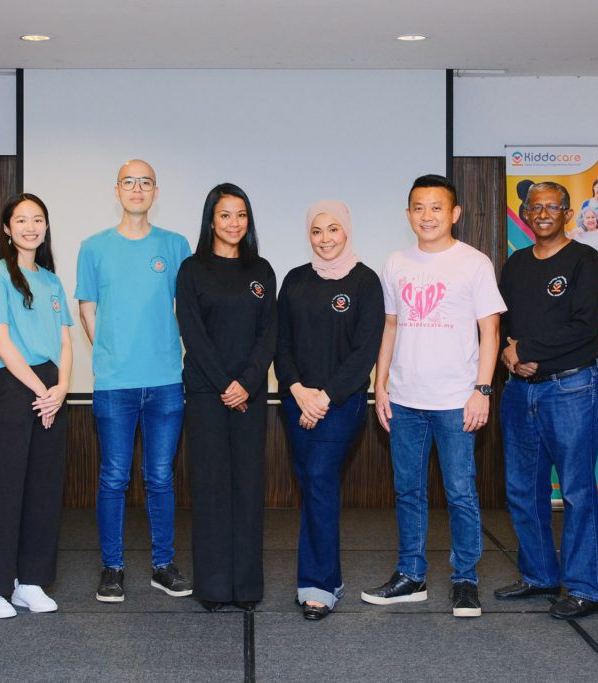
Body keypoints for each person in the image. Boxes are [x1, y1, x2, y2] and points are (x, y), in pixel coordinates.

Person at [362, 175, 504, 619]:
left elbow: (491, 331)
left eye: (436, 207)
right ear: (408, 215)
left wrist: (482, 389)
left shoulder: (474, 263)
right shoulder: (395, 263)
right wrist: (379, 384)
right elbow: (390, 326)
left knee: (460, 491)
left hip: (456, 399)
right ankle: (411, 576)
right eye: (418, 208)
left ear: (454, 213)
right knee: (408, 492)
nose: (427, 216)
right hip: (404, 399)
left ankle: (465, 579)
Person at [76, 159, 193, 603]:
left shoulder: (176, 244)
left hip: (165, 381)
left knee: (161, 476)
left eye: (145, 182)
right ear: (117, 190)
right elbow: (87, 309)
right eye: (129, 182)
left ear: (156, 191)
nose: (137, 188)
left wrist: (175, 352)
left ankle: (163, 565)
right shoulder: (94, 247)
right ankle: (113, 568)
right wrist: (108, 353)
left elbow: (187, 309)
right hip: (114, 383)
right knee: (113, 477)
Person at [495, 181, 598, 619]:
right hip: (520, 390)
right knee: (524, 487)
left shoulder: (585, 261)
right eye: (535, 206)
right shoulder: (516, 264)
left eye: (552, 207)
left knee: (578, 490)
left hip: (571, 388)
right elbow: (505, 322)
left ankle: (584, 588)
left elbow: (583, 327)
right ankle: (540, 576)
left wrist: (526, 351)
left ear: (566, 212)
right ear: (525, 212)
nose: (542, 213)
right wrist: (511, 353)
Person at [0, 194, 74, 618]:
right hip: (14, 385)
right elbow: (1, 342)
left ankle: (29, 581)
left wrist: (61, 387)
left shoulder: (50, 280)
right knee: (4, 488)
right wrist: (40, 390)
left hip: (51, 388)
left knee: (44, 490)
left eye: (38, 219)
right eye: (21, 220)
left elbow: (65, 339)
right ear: (7, 229)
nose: (31, 226)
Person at [277, 200, 384, 621]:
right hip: (296, 400)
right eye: (317, 231)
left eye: (333, 229)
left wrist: (323, 397)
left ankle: (319, 585)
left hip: (342, 403)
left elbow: (365, 351)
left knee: (320, 476)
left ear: (347, 231)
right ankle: (328, 578)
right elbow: (280, 343)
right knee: (310, 483)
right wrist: (299, 390)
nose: (325, 239)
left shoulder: (365, 282)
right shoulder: (295, 280)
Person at [176, 183, 276, 611]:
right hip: (206, 394)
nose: (234, 223)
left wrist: (247, 383)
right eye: (225, 215)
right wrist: (224, 385)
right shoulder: (192, 269)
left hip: (250, 397)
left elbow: (269, 334)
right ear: (211, 220)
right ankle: (214, 587)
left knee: (248, 488)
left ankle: (247, 586)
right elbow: (194, 336)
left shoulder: (262, 271)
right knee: (212, 488)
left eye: (241, 215)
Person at [569, 200, 598, 268]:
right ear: (583, 220)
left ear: (596, 219)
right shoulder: (577, 234)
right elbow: (567, 251)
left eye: (593, 217)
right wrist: (572, 233)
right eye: (587, 218)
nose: (591, 220)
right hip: (581, 268)